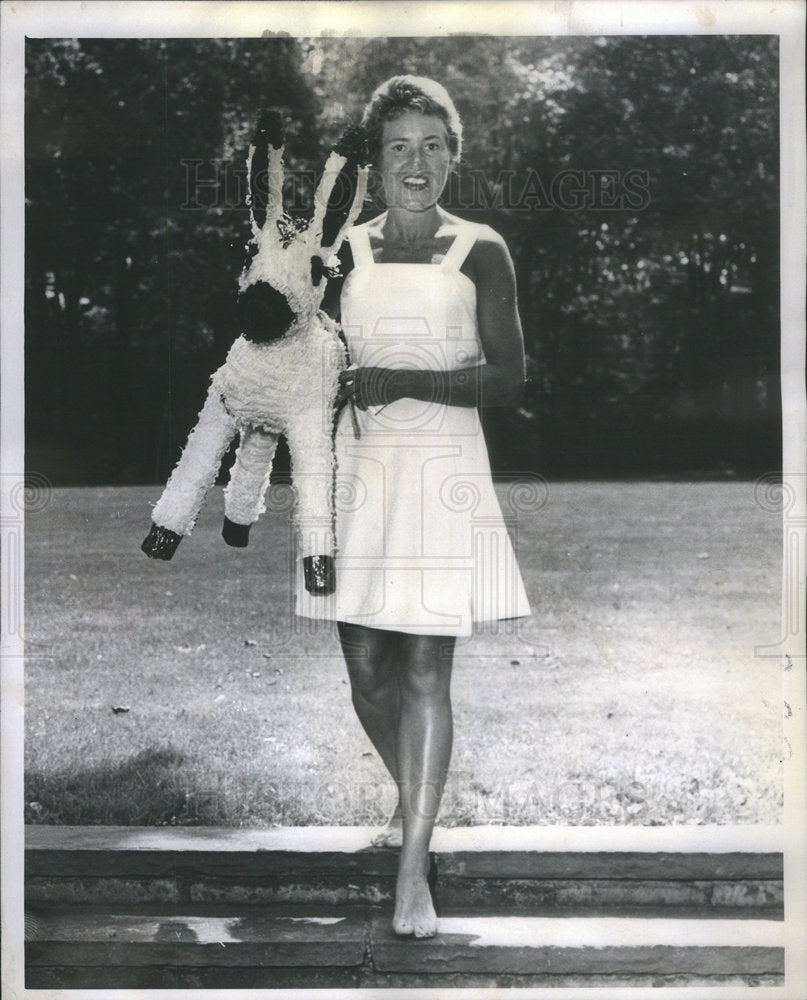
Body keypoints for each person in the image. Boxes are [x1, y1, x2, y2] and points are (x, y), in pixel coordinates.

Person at [296, 75, 531, 938]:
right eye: (399, 146)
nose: (417, 162)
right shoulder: (342, 252)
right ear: (375, 159)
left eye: (433, 145)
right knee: (366, 673)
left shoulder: (481, 250)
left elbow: (508, 380)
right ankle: (415, 805)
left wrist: (406, 380)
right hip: (357, 479)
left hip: (442, 473)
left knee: (426, 671)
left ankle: (411, 872)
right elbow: (311, 364)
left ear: (453, 156)